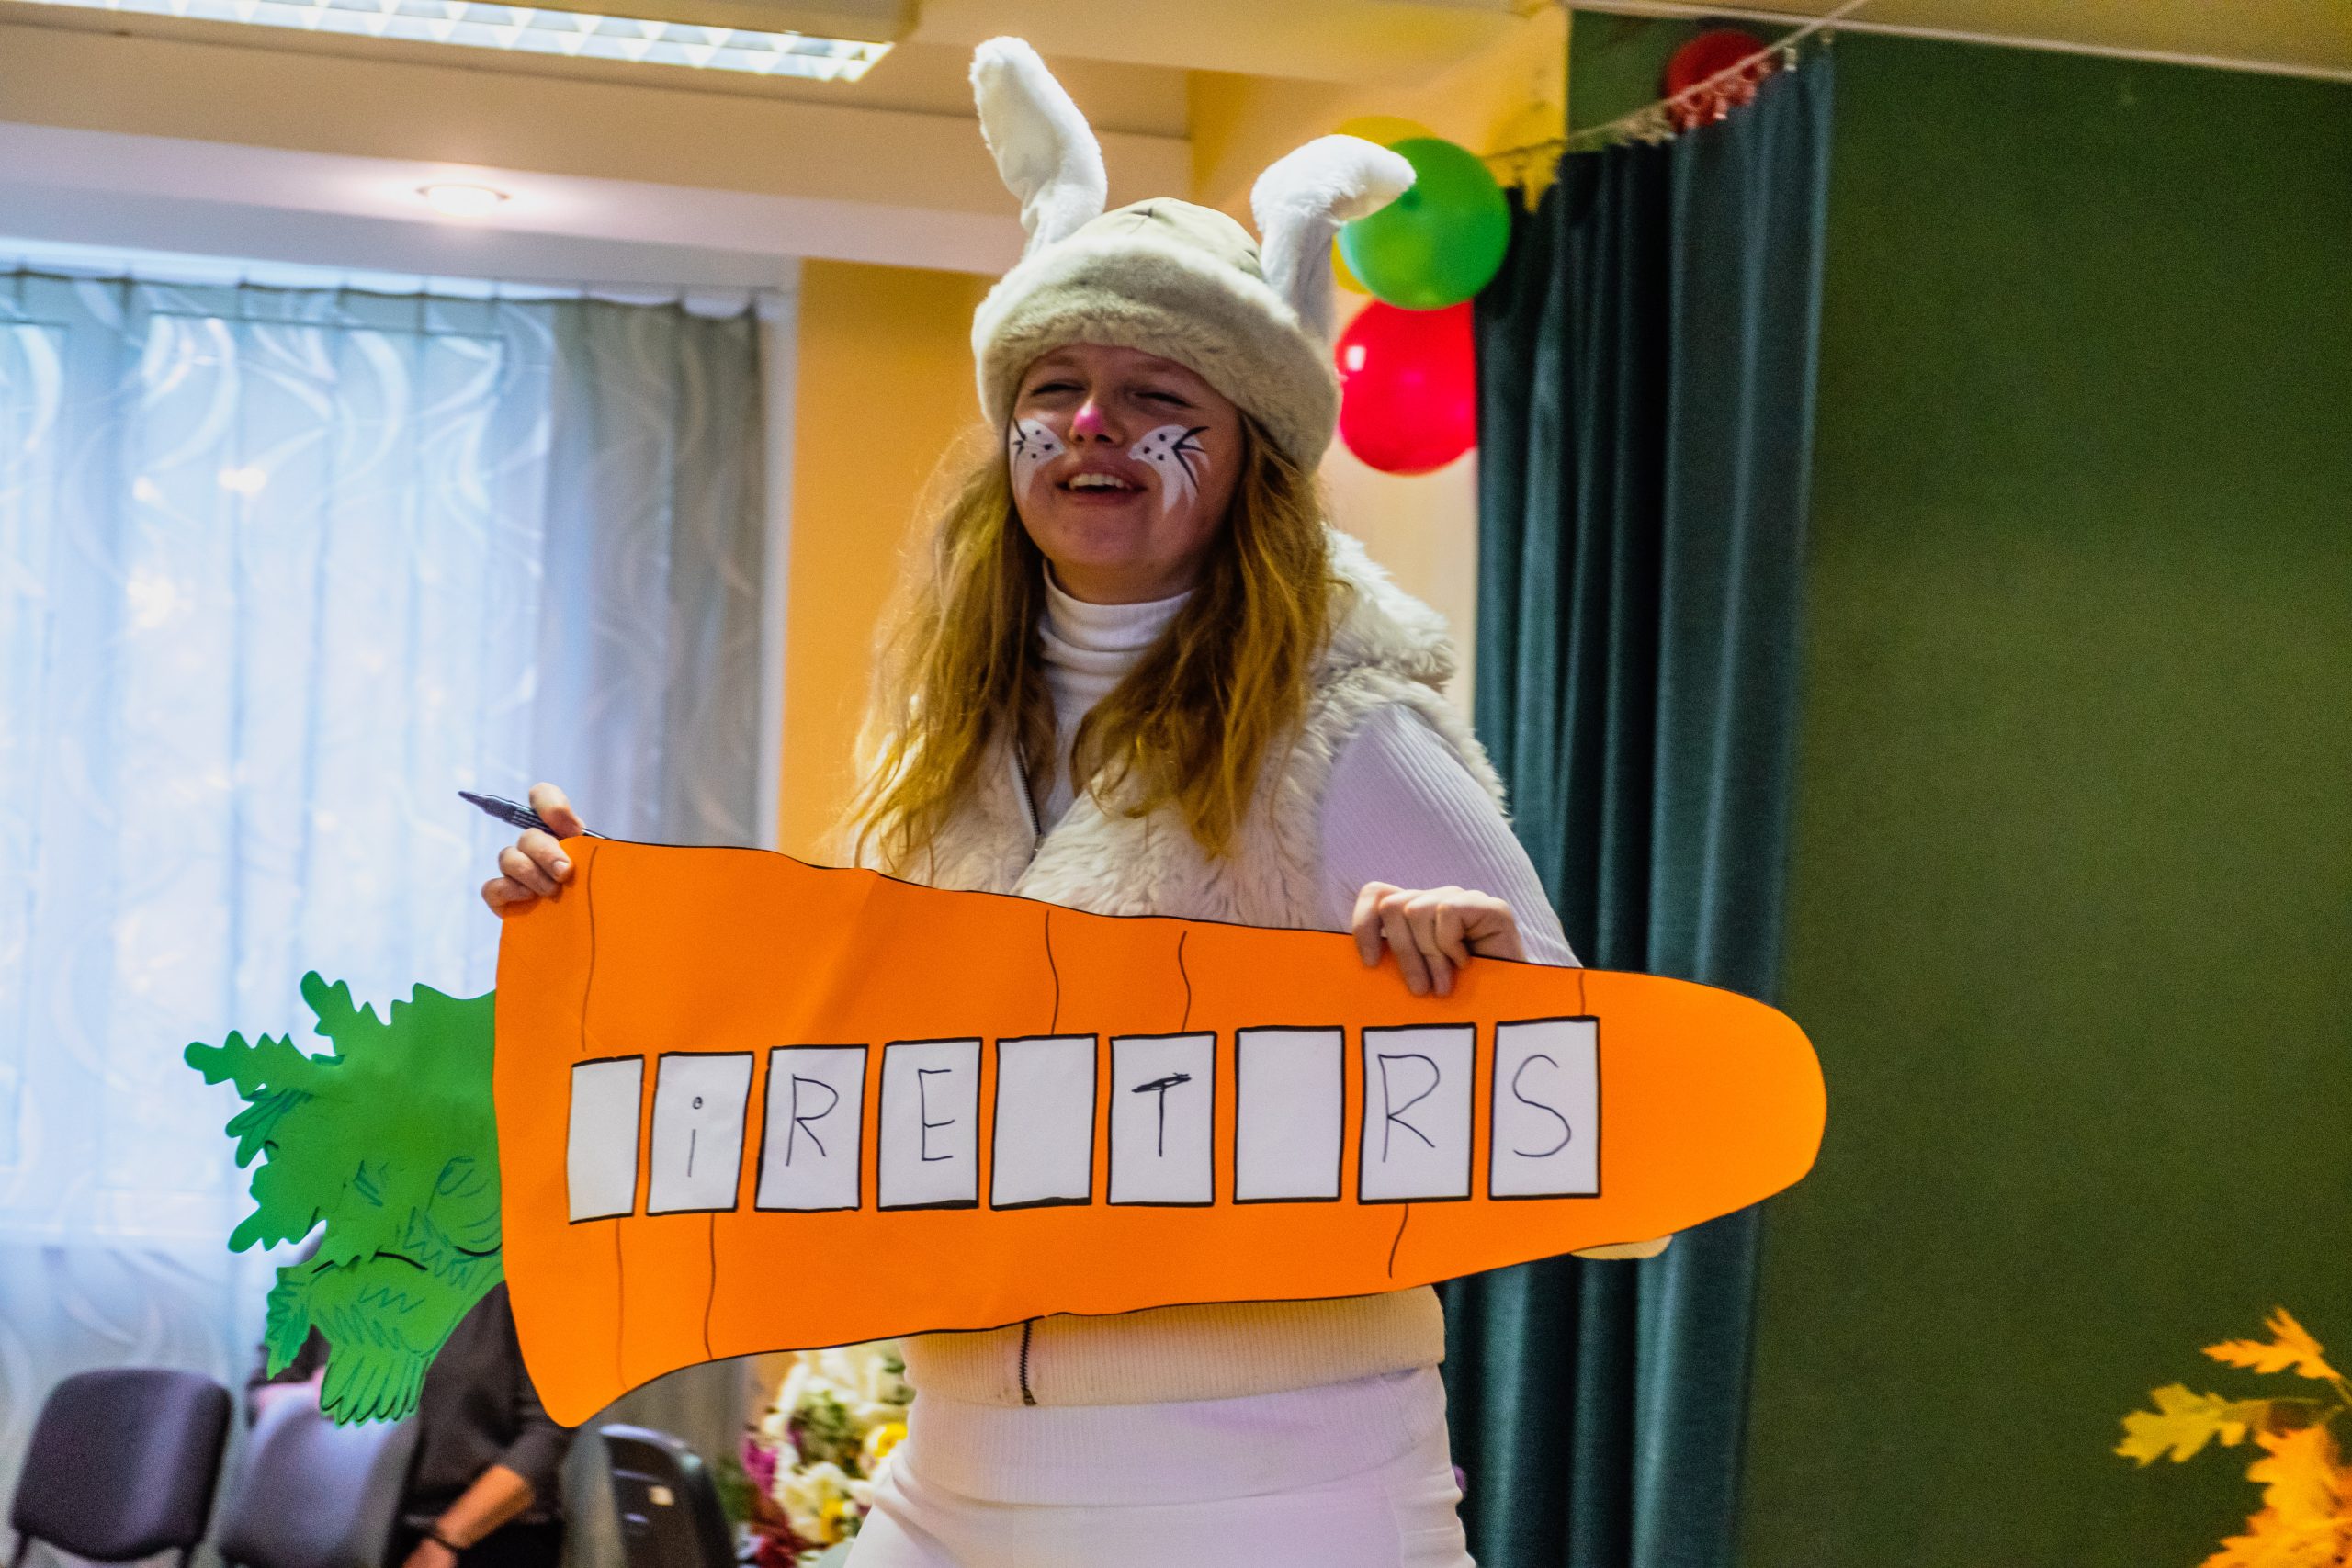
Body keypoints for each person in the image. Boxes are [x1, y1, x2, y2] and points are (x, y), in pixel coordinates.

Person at [481, 37, 1663, 1568]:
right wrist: (615, 933)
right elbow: (834, 1074)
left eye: (1157, 391)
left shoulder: (1346, 735)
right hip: (958, 1473)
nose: (1095, 423)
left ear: (1249, 453)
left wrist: (1489, 996)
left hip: (1269, 1496)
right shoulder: (940, 756)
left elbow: (1617, 1170)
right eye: (1057, 388)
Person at [250, 1280, 573, 1568]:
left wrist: (446, 1539)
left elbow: (546, 1433)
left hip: (482, 1530)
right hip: (331, 1520)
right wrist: (310, 1396)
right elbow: (264, 1393)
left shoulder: (524, 1270)